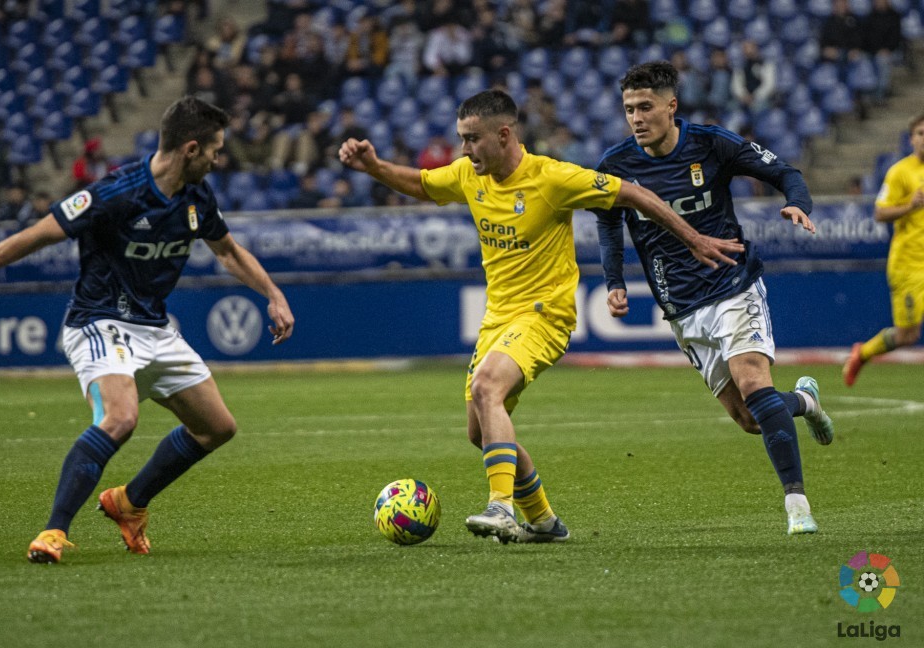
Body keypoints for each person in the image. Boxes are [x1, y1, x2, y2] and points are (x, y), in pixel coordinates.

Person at [338, 88, 743, 544]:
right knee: (481, 430)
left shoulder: (552, 179)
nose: (464, 150)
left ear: (504, 135)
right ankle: (546, 522)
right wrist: (373, 167)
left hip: (545, 315)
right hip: (499, 319)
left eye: (472, 139)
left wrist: (694, 239)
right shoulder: (472, 176)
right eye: (461, 139)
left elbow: (636, 195)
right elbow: (423, 184)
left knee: (486, 386)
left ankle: (501, 507)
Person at [0, 96, 295, 563]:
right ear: (191, 149)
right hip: (100, 320)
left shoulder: (197, 197)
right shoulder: (116, 193)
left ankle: (128, 502)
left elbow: (229, 252)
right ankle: (53, 531)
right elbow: (35, 235)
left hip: (154, 328)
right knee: (120, 419)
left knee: (217, 428)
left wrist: (273, 294)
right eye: (216, 151)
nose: (220, 161)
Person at [593, 61, 835, 536]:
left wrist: (798, 203)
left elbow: (785, 171)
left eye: (645, 107)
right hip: (680, 305)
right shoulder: (616, 165)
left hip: (732, 284)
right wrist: (614, 279)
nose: (637, 118)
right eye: (629, 109)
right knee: (749, 419)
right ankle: (805, 402)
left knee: (752, 383)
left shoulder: (711, 143)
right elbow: (607, 221)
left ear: (671, 106)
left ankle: (798, 506)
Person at [843, 112, 924, 386]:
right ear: (911, 139)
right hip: (909, 265)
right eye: (920, 134)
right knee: (907, 336)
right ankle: (862, 353)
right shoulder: (900, 172)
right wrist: (910, 206)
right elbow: (879, 214)